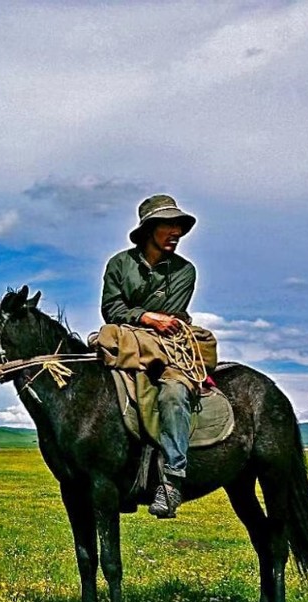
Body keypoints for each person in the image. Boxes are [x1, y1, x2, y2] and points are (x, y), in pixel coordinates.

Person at [100, 194, 202, 518]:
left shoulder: (185, 271)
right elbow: (110, 309)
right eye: (169, 225)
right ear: (149, 229)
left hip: (169, 347)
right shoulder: (119, 264)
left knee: (173, 393)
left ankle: (172, 480)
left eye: (179, 227)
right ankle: (118, 478)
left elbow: (170, 318)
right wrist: (145, 317)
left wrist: (147, 319)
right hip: (126, 342)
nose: (176, 232)